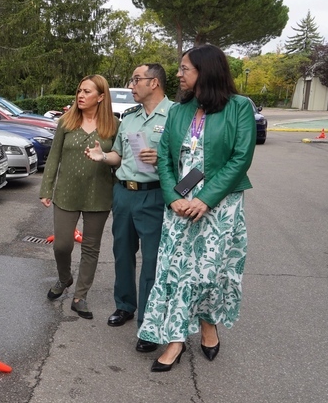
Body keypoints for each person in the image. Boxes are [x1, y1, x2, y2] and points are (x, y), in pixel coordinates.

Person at [136, 45, 256, 372]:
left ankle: (207, 322)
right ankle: (175, 338)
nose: (178, 74)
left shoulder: (239, 108)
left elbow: (240, 158)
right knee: (174, 270)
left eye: (184, 68)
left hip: (221, 204)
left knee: (209, 272)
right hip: (179, 202)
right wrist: (173, 197)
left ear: (205, 71)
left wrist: (206, 198)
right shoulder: (178, 111)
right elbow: (164, 158)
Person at [85, 64, 172, 352]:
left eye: (137, 80)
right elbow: (119, 156)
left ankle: (149, 324)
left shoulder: (175, 116)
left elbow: (189, 162)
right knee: (122, 253)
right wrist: (103, 156)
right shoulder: (130, 118)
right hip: (124, 194)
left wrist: (162, 158)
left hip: (155, 196)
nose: (132, 85)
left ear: (154, 83)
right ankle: (125, 306)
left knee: (151, 262)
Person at [39, 75, 118, 319]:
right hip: (66, 193)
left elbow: (119, 158)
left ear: (101, 97)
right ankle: (65, 278)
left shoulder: (114, 125)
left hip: (99, 194)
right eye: (79, 91)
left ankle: (80, 296)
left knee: (91, 248)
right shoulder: (66, 121)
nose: (80, 95)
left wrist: (104, 156)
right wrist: (46, 188)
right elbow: (54, 158)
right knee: (62, 245)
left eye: (87, 92)